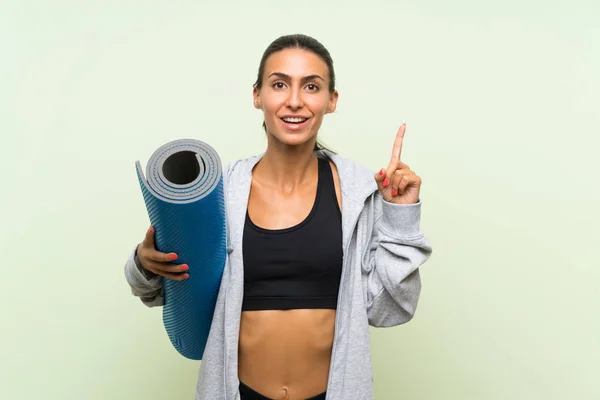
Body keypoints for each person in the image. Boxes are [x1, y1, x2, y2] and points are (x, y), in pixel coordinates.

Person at [124, 33, 432, 400]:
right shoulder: (221, 193)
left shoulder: (361, 194)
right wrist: (144, 264)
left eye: (312, 86)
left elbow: (391, 308)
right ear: (257, 95)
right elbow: (165, 293)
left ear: (331, 101)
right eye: (280, 84)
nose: (294, 101)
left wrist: (401, 214)